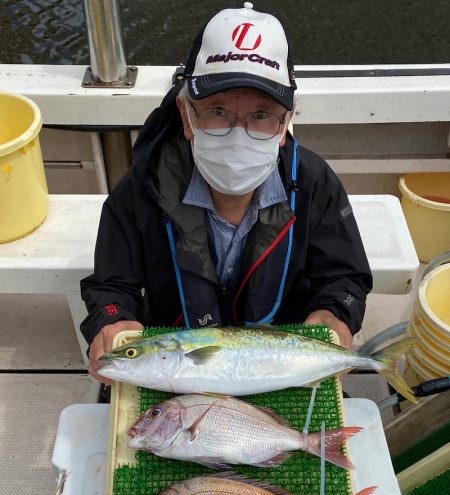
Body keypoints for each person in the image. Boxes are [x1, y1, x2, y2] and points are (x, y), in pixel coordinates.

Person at [81, 2, 372, 384]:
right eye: (216, 111)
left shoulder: (316, 183)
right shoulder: (140, 188)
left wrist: (335, 314)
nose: (237, 135)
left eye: (261, 114)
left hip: (279, 368)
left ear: (285, 125)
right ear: (186, 116)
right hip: (177, 367)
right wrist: (112, 319)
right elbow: (111, 285)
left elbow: (344, 277)